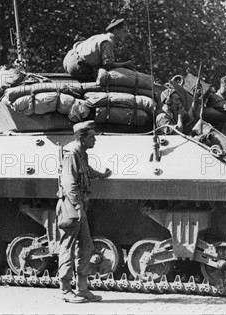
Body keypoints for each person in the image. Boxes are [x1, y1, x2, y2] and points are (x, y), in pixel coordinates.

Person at [57, 120, 111, 303]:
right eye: (92, 136)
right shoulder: (71, 154)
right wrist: (79, 208)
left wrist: (102, 175)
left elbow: (86, 171)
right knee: (68, 248)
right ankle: (65, 290)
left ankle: (82, 288)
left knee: (86, 248)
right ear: (82, 137)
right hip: (71, 207)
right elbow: (69, 183)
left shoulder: (82, 154)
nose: (95, 140)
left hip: (79, 206)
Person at [62, 18, 134, 80]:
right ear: (115, 31)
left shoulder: (100, 37)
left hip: (68, 59)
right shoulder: (108, 42)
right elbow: (108, 65)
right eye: (124, 31)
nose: (127, 34)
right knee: (105, 79)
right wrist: (124, 64)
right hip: (77, 65)